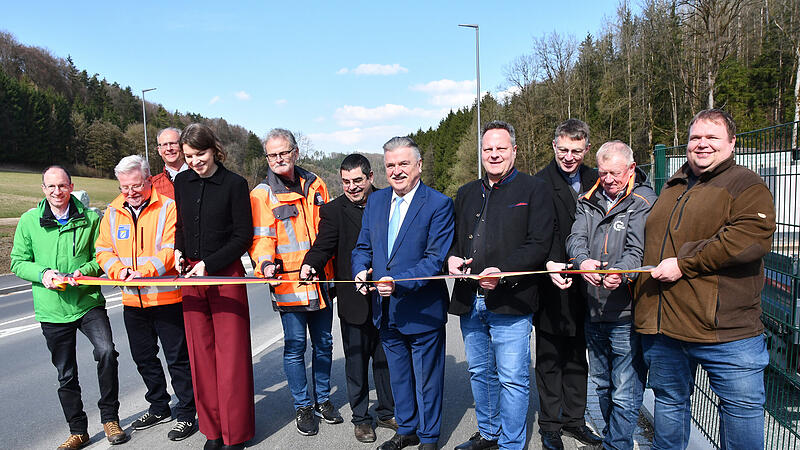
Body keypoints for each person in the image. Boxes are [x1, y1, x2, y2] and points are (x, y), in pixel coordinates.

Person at [636, 109, 776, 449]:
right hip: (667, 328)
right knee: (670, 404)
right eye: (695, 137)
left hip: (726, 332)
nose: (702, 144)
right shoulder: (674, 184)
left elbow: (748, 239)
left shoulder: (746, 184)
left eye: (712, 137)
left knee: (740, 414)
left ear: (732, 142)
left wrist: (685, 263)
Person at [448, 121, 554, 450]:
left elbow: (539, 243)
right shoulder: (466, 193)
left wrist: (504, 271)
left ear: (514, 151)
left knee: (512, 378)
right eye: (488, 149)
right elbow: (454, 240)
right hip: (471, 299)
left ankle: (511, 443)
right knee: (480, 373)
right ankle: (489, 432)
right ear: (481, 152)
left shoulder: (534, 190)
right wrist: (451, 258)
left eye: (501, 148)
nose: (494, 154)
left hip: (512, 300)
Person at [10, 166, 129, 449]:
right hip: (51, 309)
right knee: (66, 373)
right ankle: (78, 431)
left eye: (62, 185)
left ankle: (110, 418)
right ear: (43, 189)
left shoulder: (90, 218)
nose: (57, 191)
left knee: (107, 352)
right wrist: (43, 274)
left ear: (71, 186)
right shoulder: (29, 221)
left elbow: (102, 256)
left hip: (87, 302)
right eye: (51, 186)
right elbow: (18, 261)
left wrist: (83, 272)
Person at [352, 136, 454, 450]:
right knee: (398, 377)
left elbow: (434, 260)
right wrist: (360, 269)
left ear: (418, 166)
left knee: (427, 380)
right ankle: (407, 429)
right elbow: (363, 247)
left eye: (404, 164)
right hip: (386, 310)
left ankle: (429, 437)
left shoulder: (438, 204)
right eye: (390, 165)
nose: (396, 171)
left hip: (422, 310)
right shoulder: (376, 201)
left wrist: (397, 281)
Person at [95, 155, 197, 441]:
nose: (130, 192)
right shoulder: (112, 211)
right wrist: (119, 270)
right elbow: (103, 250)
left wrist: (145, 271)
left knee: (177, 359)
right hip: (132, 301)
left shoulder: (167, 207)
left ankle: (187, 412)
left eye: (136, 185)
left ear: (149, 180)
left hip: (166, 299)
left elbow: (171, 249)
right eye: (125, 187)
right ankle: (159, 406)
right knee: (144, 358)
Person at [249, 128, 343, 436]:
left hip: (322, 280)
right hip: (288, 284)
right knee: (295, 347)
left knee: (324, 344)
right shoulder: (262, 194)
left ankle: (323, 400)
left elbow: (328, 228)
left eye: (283, 153)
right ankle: (303, 406)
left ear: (295, 152)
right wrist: (265, 263)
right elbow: (261, 238)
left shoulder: (316, 183)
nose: (278, 159)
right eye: (272, 154)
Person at [565, 141, 656, 449]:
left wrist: (622, 272)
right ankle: (613, 439)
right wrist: (582, 262)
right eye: (603, 173)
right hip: (594, 308)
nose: (608, 179)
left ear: (631, 169)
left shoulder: (643, 201)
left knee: (625, 390)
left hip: (626, 312)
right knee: (603, 385)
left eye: (615, 173)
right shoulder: (588, 199)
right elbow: (575, 238)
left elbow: (638, 250)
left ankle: (616, 445)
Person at [300, 154, 396, 443]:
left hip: (388, 297)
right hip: (354, 302)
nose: (352, 187)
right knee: (356, 363)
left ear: (370, 177)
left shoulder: (389, 200)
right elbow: (323, 246)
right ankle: (361, 419)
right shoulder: (333, 211)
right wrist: (310, 264)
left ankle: (387, 411)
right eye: (346, 182)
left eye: (357, 181)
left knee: (386, 361)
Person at [174, 123, 255, 450]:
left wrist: (210, 263)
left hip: (225, 275)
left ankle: (236, 433)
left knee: (231, 357)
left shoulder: (235, 184)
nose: (194, 161)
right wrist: (179, 251)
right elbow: (181, 225)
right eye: (188, 156)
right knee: (201, 357)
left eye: (200, 154)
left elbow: (243, 236)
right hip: (192, 277)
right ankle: (213, 431)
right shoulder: (182, 182)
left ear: (214, 150)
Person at [534, 118, 602, 450]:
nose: (568, 157)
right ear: (554, 146)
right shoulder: (538, 183)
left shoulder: (597, 179)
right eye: (563, 150)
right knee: (550, 357)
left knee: (577, 356)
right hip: (552, 282)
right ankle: (550, 425)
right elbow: (537, 233)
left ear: (586, 149)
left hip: (589, 285)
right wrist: (549, 262)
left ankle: (574, 421)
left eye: (576, 151)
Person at [151, 127, 189, 199]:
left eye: (173, 143)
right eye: (165, 145)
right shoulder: (153, 185)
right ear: (159, 150)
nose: (169, 148)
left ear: (182, 146)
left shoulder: (200, 175)